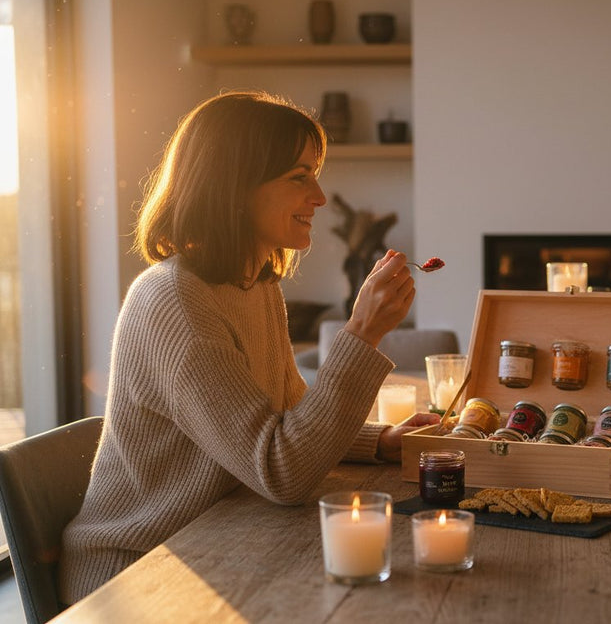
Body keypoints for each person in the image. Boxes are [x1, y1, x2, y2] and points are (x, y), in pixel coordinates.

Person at [59, 91, 438, 603]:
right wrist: (361, 334)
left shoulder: (254, 284)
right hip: (138, 573)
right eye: (299, 177)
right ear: (235, 187)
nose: (321, 197)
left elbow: (282, 418)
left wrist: (378, 441)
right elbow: (282, 472)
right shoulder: (176, 302)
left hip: (219, 539)